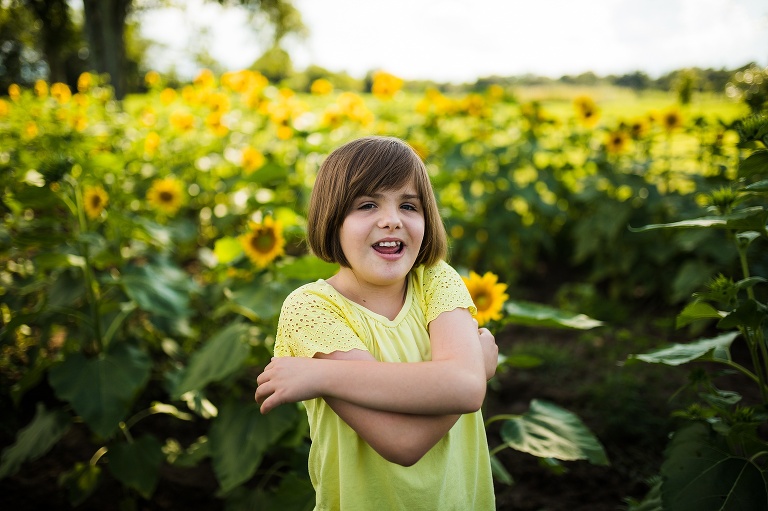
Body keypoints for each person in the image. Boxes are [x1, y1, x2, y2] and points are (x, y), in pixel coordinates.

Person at [255, 136, 498, 510]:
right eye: (367, 205)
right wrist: (473, 369)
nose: (391, 220)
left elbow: (465, 388)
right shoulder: (311, 309)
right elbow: (402, 443)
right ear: (332, 220)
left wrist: (320, 376)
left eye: (408, 205)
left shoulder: (436, 279)